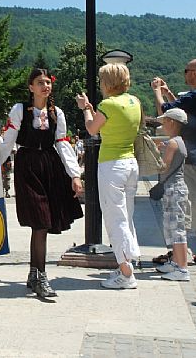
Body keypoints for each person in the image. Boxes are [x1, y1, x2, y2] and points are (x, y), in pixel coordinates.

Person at [1, 68, 83, 298]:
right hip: (27, 166)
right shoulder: (20, 110)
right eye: (40, 82)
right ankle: (41, 276)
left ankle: (34, 273)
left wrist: (74, 175)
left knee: (43, 223)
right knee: (40, 221)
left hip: (49, 167)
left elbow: (63, 145)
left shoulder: (57, 113)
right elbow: (8, 141)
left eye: (47, 82)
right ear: (31, 87)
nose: (45, 86)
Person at [76, 62, 142, 289]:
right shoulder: (134, 102)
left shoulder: (108, 104)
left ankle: (126, 272)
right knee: (127, 216)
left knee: (115, 218)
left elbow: (92, 129)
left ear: (108, 82)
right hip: (131, 163)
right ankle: (128, 262)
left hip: (112, 164)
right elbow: (110, 124)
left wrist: (86, 108)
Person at [152, 59, 196, 266]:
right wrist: (170, 92)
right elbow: (185, 113)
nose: (185, 73)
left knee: (181, 205)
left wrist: (157, 91)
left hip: (187, 156)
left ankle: (179, 253)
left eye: (187, 70)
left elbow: (166, 112)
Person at [153, 108, 191, 281]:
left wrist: (155, 154)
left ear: (172, 122)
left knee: (176, 229)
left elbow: (164, 166)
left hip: (173, 188)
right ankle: (176, 263)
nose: (163, 125)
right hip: (177, 188)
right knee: (173, 226)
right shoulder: (179, 141)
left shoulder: (172, 143)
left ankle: (182, 268)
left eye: (165, 121)